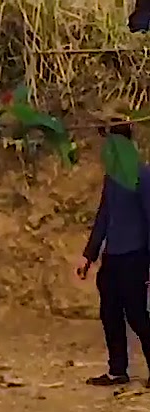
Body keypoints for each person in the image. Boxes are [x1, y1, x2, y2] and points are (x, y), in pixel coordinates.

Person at [75, 115, 150, 387]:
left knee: (138, 316)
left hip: (134, 255)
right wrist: (89, 254)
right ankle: (117, 370)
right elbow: (104, 215)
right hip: (113, 256)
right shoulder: (113, 177)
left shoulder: (142, 175)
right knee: (110, 314)